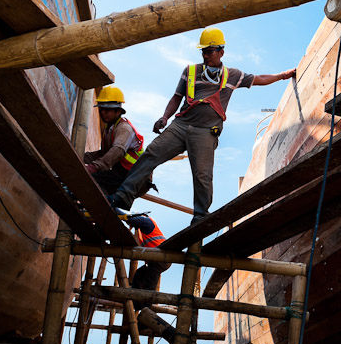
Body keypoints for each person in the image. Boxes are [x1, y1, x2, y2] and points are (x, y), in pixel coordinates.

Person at [110, 27, 296, 224]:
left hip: (205, 132)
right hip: (181, 125)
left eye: (210, 51)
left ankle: (200, 217)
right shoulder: (190, 72)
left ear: (221, 52)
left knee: (202, 175)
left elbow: (260, 79)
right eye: (203, 51)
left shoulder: (233, 75)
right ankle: (123, 196)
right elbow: (176, 97)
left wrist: (283, 75)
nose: (206, 55)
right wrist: (164, 118)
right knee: (151, 153)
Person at [83, 85, 153, 197]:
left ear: (118, 111)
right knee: (99, 180)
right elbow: (103, 154)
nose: (103, 113)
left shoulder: (124, 128)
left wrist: (93, 167)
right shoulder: (109, 129)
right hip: (125, 174)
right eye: (101, 109)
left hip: (136, 177)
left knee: (93, 179)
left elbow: (117, 152)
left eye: (108, 110)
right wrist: (81, 157)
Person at [123, 213, 170, 308]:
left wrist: (120, 214)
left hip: (160, 259)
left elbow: (131, 220)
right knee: (139, 274)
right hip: (156, 260)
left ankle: (146, 308)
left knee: (150, 285)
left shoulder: (148, 221)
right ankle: (137, 302)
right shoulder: (142, 231)